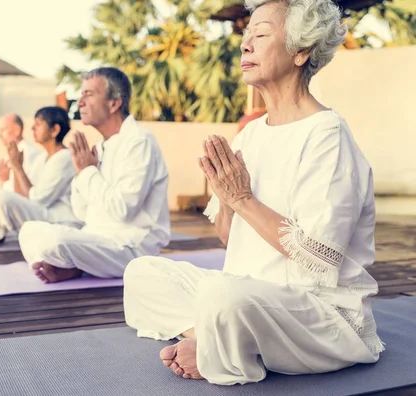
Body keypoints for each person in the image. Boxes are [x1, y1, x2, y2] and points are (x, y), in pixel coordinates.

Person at [123, 0, 384, 386]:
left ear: (301, 51)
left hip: (315, 311)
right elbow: (229, 238)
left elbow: (320, 258)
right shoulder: (251, 133)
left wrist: (244, 199)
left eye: (260, 35)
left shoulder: (327, 136)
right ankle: (215, 336)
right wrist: (227, 198)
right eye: (246, 36)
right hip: (247, 297)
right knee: (143, 272)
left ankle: (217, 340)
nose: (245, 45)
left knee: (226, 298)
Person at [18, 67, 170, 283]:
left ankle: (74, 265)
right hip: (96, 238)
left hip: (131, 248)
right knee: (29, 230)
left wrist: (88, 171)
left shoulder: (139, 142)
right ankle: (77, 265)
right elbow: (82, 213)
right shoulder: (101, 146)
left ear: (114, 103)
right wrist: (81, 172)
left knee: (56, 240)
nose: (80, 102)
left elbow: (123, 210)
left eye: (88, 94)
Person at [0, 107, 81, 249]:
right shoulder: (42, 158)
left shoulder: (64, 158)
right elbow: (22, 194)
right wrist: (17, 165)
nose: (32, 128)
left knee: (3, 198)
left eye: (38, 124)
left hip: (59, 218)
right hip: (43, 211)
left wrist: (17, 167)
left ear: (54, 130)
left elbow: (39, 199)